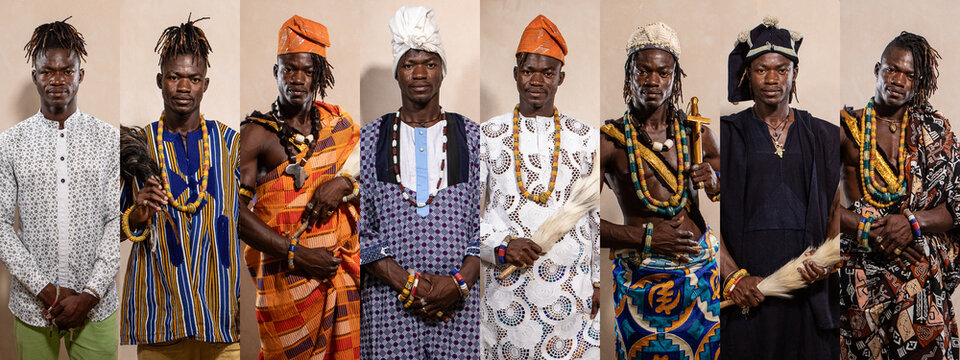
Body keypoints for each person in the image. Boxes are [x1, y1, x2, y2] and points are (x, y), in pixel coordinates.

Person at [356, 6, 481, 358]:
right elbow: (359, 227)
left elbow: (486, 222)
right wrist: (406, 283)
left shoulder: (472, 136)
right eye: (409, 64)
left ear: (443, 71)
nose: (420, 74)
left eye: (430, 63)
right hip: (388, 309)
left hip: (460, 311)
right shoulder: (369, 140)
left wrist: (458, 284)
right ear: (397, 73)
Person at [238, 15, 362, 359]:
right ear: (275, 71)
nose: (296, 79)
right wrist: (298, 254)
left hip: (341, 280)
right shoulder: (256, 135)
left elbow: (374, 172)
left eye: (307, 71)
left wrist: (343, 183)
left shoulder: (338, 126)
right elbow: (231, 213)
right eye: (288, 69)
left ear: (319, 76)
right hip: (286, 289)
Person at [119, 16, 242, 359]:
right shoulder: (137, 145)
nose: (184, 87)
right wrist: (138, 215)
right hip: (162, 321)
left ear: (206, 84)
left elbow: (256, 209)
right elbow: (107, 228)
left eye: (193, 78)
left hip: (220, 323)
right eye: (174, 77)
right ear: (161, 81)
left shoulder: (231, 144)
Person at [478, 15, 600, 359]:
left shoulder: (585, 137)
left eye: (548, 73)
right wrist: (501, 247)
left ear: (561, 77)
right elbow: (462, 217)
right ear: (516, 73)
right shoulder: (487, 135)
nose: (537, 80)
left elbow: (595, 215)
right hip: (507, 294)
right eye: (529, 70)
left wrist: (598, 280)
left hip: (572, 295)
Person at [599, 22, 723, 360]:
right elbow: (581, 223)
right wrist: (647, 238)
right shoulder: (610, 142)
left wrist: (713, 179)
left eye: (662, 72)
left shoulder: (694, 132)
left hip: (699, 274)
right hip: (641, 279)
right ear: (629, 74)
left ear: (675, 78)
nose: (652, 81)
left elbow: (725, 182)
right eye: (643, 71)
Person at [719, 17, 841, 359]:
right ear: (747, 74)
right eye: (761, 69)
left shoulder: (825, 136)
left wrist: (828, 259)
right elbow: (704, 221)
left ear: (795, 74)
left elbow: (837, 209)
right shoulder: (725, 135)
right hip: (747, 297)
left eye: (782, 69)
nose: (772, 79)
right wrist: (732, 276)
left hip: (809, 298)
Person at [0, 17, 120, 360]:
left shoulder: (108, 140)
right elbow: (1, 226)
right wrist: (47, 291)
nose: (57, 80)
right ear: (34, 76)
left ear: (80, 74)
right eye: (46, 71)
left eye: (67, 70)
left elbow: (116, 220)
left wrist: (90, 294)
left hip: (96, 307)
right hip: (32, 307)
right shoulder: (10, 144)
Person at [837, 31, 960, 359]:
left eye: (910, 75)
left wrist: (912, 222)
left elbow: (957, 206)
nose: (899, 80)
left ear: (919, 84)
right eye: (892, 69)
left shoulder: (936, 132)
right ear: (877, 69)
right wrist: (866, 230)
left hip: (919, 275)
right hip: (861, 273)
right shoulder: (847, 128)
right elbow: (818, 205)